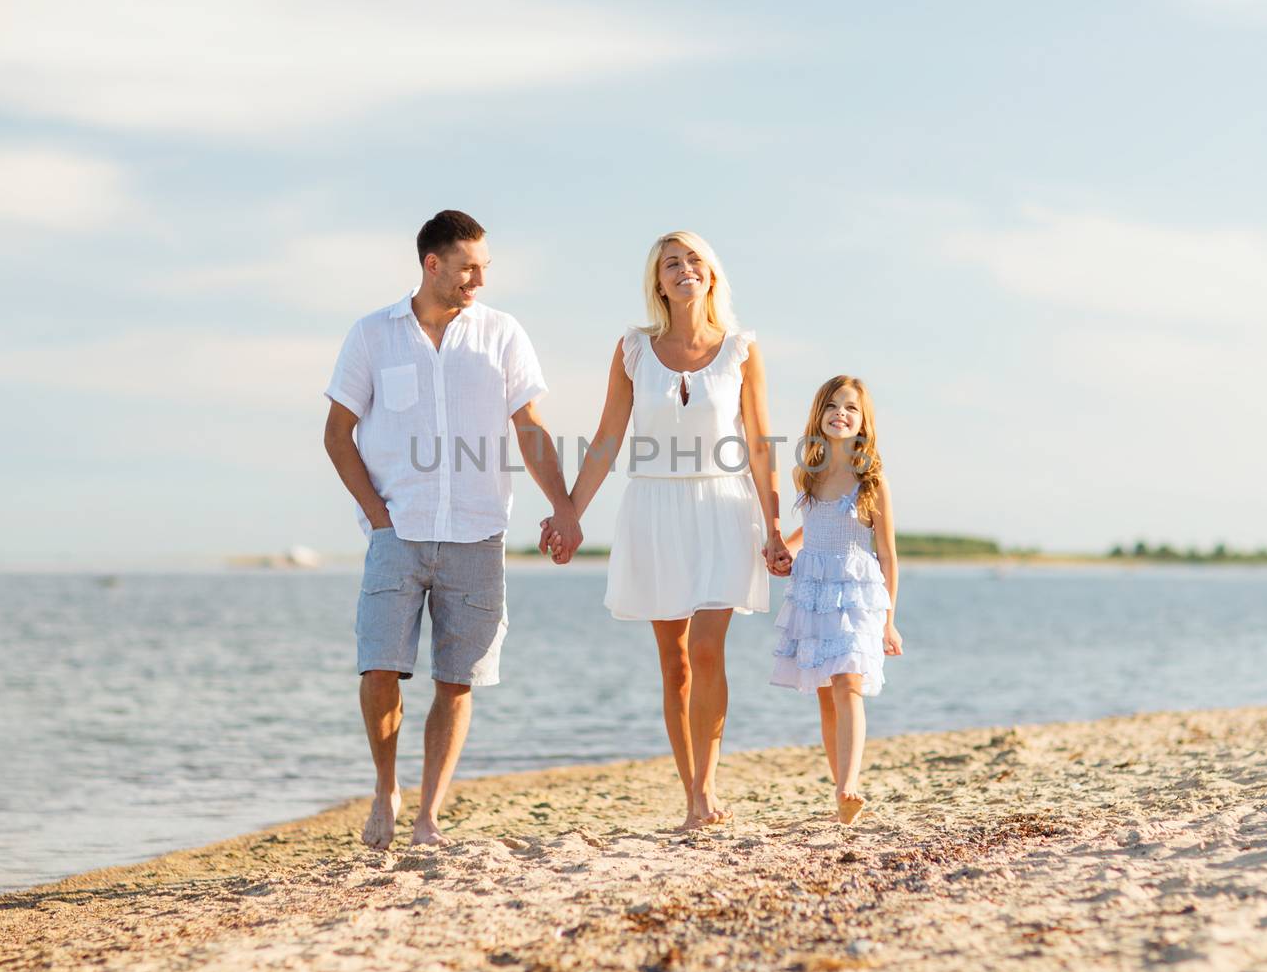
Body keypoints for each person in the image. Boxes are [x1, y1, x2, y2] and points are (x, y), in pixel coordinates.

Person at [323, 210, 582, 850]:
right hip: (397, 534)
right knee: (379, 667)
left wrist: (566, 507)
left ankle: (428, 815)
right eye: (468, 267)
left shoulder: (502, 334)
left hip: (477, 532)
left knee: (456, 680)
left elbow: (530, 426)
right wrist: (379, 519)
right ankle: (385, 789)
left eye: (484, 268)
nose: (479, 280)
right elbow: (337, 435)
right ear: (431, 264)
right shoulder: (372, 335)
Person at [547, 230, 789, 830]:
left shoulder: (740, 349)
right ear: (658, 281)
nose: (684, 269)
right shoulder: (633, 349)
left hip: (722, 506)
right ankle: (693, 793)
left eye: (694, 260)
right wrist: (571, 512)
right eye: (671, 263)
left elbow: (760, 445)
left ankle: (706, 788)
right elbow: (606, 440)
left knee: (708, 650)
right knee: (675, 662)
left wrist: (775, 528)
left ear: (711, 275)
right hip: (654, 509)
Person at [766, 375, 904, 825]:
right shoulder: (806, 475)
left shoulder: (872, 482)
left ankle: (850, 786)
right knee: (826, 695)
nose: (840, 414)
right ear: (818, 414)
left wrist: (889, 621)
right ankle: (840, 790)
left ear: (863, 423)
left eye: (851, 408)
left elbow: (887, 555)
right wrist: (786, 547)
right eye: (832, 405)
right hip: (815, 594)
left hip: (858, 596)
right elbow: (813, 528)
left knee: (849, 684)